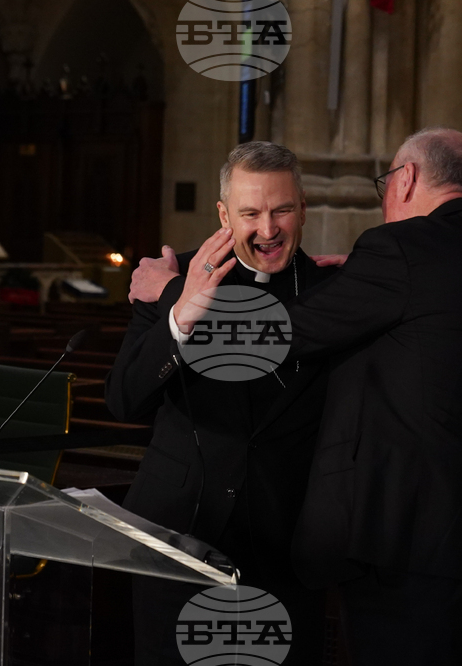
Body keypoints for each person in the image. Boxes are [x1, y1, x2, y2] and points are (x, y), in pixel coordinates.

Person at [139, 128, 462, 665]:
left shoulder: (401, 249)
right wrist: (357, 286)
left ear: (405, 180)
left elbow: (281, 333)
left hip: (412, 545)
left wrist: (172, 294)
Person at [105, 141, 336, 666]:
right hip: (177, 537)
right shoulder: (171, 276)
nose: (268, 229)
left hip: (287, 542)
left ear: (302, 208)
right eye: (250, 213)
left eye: (281, 210)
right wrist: (181, 314)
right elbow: (123, 400)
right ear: (223, 214)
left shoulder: (333, 287)